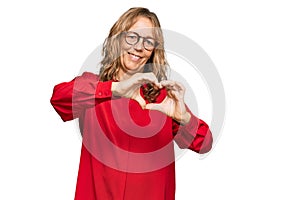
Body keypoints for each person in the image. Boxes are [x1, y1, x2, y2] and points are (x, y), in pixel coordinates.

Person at [50, 7, 213, 200]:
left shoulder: (163, 100)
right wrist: (114, 89)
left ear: (154, 50)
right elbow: (59, 98)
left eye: (148, 41)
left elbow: (204, 144)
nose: (139, 47)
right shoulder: (94, 87)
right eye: (132, 37)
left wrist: (185, 118)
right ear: (118, 39)